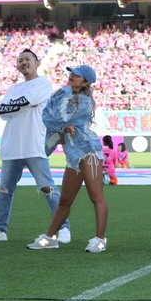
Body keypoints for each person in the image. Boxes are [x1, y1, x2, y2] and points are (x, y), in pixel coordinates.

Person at [0, 49, 70, 243]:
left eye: (28, 59)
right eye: (20, 60)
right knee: (4, 189)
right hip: (12, 146)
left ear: (37, 63)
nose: (24, 62)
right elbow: (1, 110)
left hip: (34, 145)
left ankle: (63, 227)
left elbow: (28, 100)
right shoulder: (13, 89)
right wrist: (23, 105)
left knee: (46, 187)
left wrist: (19, 105)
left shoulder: (43, 83)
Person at [27, 65, 107, 252]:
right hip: (72, 153)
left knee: (96, 196)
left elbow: (61, 118)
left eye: (77, 75)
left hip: (88, 150)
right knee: (64, 201)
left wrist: (62, 123)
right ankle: (50, 238)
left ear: (85, 82)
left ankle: (100, 239)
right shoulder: (63, 94)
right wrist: (62, 126)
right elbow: (47, 117)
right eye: (71, 73)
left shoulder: (84, 101)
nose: (71, 76)